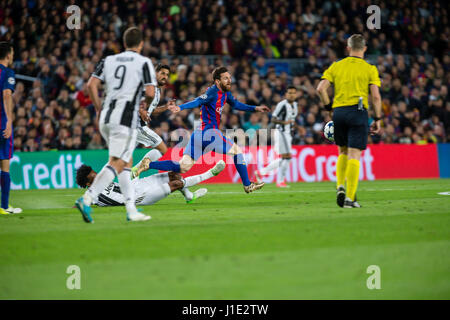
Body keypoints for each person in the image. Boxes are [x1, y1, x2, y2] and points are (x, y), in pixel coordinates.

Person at [75, 27, 157, 223]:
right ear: (141, 44)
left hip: (106, 116)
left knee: (125, 163)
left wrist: (97, 109)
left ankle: (131, 210)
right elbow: (152, 93)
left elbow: (91, 85)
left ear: (124, 43)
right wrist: (142, 102)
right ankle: (87, 198)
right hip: (125, 119)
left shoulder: (108, 60)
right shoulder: (144, 62)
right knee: (118, 163)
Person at [149, 66, 271, 193]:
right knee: (237, 151)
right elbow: (197, 101)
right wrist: (180, 107)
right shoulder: (212, 92)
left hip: (198, 135)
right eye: (225, 78)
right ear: (217, 81)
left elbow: (237, 105)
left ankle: (148, 165)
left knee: (183, 166)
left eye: (229, 78)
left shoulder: (225, 93)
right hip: (210, 133)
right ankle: (247, 184)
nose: (229, 80)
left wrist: (255, 108)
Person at [316, 34, 382, 208]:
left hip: (339, 113)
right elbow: (375, 96)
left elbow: (321, 89)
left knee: (342, 152)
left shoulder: (336, 66)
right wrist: (377, 118)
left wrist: (329, 109)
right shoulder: (369, 69)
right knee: (354, 155)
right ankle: (350, 199)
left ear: (348, 48)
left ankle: (340, 186)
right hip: (358, 111)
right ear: (365, 48)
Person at [75, 159, 226, 207]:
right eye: (94, 177)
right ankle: (210, 173)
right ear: (89, 184)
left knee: (174, 175)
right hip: (138, 199)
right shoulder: (92, 194)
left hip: (135, 186)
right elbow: (82, 203)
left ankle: (189, 197)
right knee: (176, 185)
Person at [255, 86, 298, 187]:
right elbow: (273, 119)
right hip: (281, 132)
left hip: (288, 133)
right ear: (286, 94)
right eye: (289, 93)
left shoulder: (295, 105)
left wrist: (293, 127)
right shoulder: (282, 105)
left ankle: (261, 172)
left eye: (293, 93)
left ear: (296, 94)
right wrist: (285, 122)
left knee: (284, 158)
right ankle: (280, 181)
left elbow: (291, 119)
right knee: (287, 157)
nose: (291, 95)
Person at [0, 42, 22, 215]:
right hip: (1, 122)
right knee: (4, 166)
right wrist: (8, 121)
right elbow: (7, 94)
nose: (13, 56)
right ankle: (4, 207)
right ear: (8, 55)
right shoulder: (7, 72)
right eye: (12, 52)